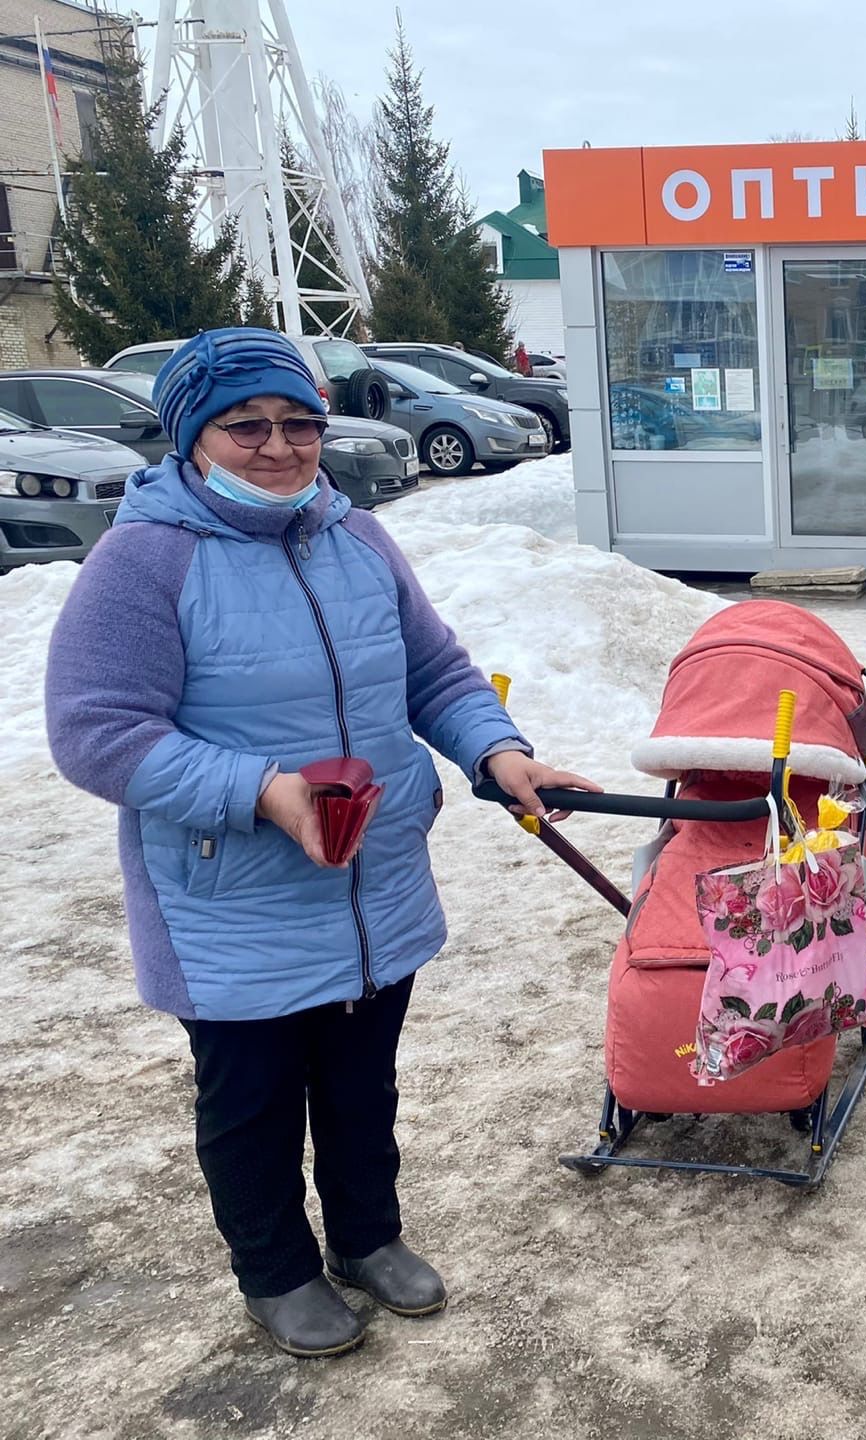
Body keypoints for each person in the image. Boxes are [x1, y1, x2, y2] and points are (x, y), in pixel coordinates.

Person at [42, 328, 599, 1359]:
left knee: (359, 1083)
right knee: (251, 1103)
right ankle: (277, 1272)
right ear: (190, 436)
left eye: (299, 423)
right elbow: (96, 731)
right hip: (229, 902)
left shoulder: (355, 538)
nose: (280, 446)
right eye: (245, 426)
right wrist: (261, 792)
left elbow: (433, 673)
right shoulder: (145, 561)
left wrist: (499, 754)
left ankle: (367, 1238)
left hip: (371, 880)